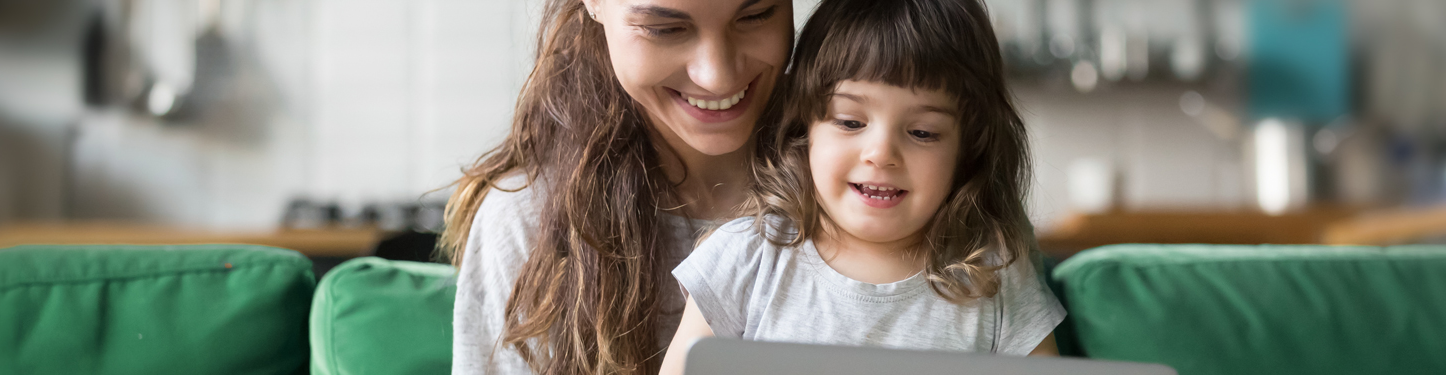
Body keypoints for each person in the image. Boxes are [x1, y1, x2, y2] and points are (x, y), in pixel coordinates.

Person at [659, 0, 1064, 373]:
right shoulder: (743, 259)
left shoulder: (995, 277)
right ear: (805, 131)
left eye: (922, 132)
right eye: (850, 122)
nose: (881, 153)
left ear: (967, 149)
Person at [439, 0, 794, 374]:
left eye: (755, 16)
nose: (717, 76)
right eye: (664, 29)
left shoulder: (856, 192)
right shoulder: (526, 219)